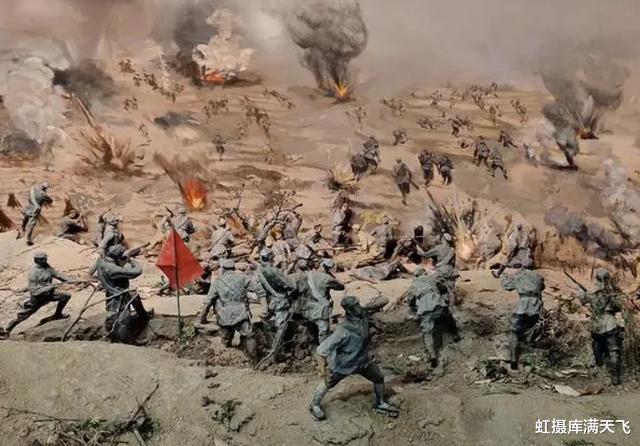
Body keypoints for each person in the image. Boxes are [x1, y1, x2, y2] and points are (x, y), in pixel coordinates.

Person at [309, 296, 399, 421]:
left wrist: (368, 306)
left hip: (362, 361)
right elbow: (321, 351)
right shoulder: (342, 330)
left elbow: (384, 300)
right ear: (349, 310)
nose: (358, 307)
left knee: (379, 378)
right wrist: (323, 371)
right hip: (344, 365)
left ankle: (379, 403)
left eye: (358, 304)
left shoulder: (363, 315)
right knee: (327, 383)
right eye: (355, 306)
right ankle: (314, 405)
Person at [91, 244, 154, 339]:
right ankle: (125, 340)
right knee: (124, 319)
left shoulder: (101, 261)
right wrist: (130, 260)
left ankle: (144, 315)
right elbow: (137, 271)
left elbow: (91, 271)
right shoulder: (113, 269)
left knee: (133, 295)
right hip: (118, 296)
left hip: (112, 291)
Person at [2, 252, 72, 335]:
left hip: (49, 294)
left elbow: (57, 274)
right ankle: (7, 329)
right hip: (38, 298)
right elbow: (34, 291)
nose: (45, 260)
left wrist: (69, 280)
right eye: (42, 259)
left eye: (45, 258)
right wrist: (50, 287)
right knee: (24, 315)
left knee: (66, 296)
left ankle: (58, 314)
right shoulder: (34, 273)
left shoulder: (47, 267)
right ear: (36, 260)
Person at [200, 259, 257, 360]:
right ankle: (254, 359)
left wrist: (202, 318)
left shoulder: (217, 282)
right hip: (241, 313)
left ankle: (224, 359)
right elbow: (257, 289)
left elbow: (208, 302)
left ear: (223, 269)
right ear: (234, 268)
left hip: (224, 315)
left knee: (225, 338)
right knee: (249, 335)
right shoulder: (243, 278)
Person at [404, 268, 460, 368]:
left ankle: (432, 356)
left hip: (424, 310)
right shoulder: (430, 278)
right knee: (447, 315)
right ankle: (455, 335)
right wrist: (446, 299)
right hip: (437, 303)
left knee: (427, 332)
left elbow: (410, 300)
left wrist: (414, 307)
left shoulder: (413, 284)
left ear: (415, 275)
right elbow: (443, 288)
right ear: (424, 273)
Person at [578, 269, 624, 385]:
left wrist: (581, 291)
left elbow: (582, 300)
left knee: (596, 346)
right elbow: (619, 307)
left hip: (597, 324)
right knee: (614, 351)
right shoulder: (613, 293)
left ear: (597, 279)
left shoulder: (592, 292)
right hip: (610, 323)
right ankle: (615, 378)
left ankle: (600, 369)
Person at [501, 269, 544, 370]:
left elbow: (507, 286)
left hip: (522, 308)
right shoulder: (538, 276)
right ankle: (534, 362)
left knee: (514, 333)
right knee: (535, 334)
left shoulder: (519, 276)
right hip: (536, 308)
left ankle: (514, 362)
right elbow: (542, 288)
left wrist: (504, 276)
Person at [254, 248, 295, 349]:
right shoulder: (274, 270)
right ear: (271, 257)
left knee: (269, 321)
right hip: (279, 300)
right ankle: (276, 348)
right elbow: (288, 285)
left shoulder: (259, 270)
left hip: (268, 299)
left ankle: (268, 340)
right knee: (281, 325)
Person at [299, 259, 345, 343]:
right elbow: (341, 287)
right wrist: (331, 276)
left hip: (308, 306)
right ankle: (322, 348)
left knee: (311, 327)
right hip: (321, 308)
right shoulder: (327, 278)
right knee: (324, 331)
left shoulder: (308, 274)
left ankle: (313, 343)